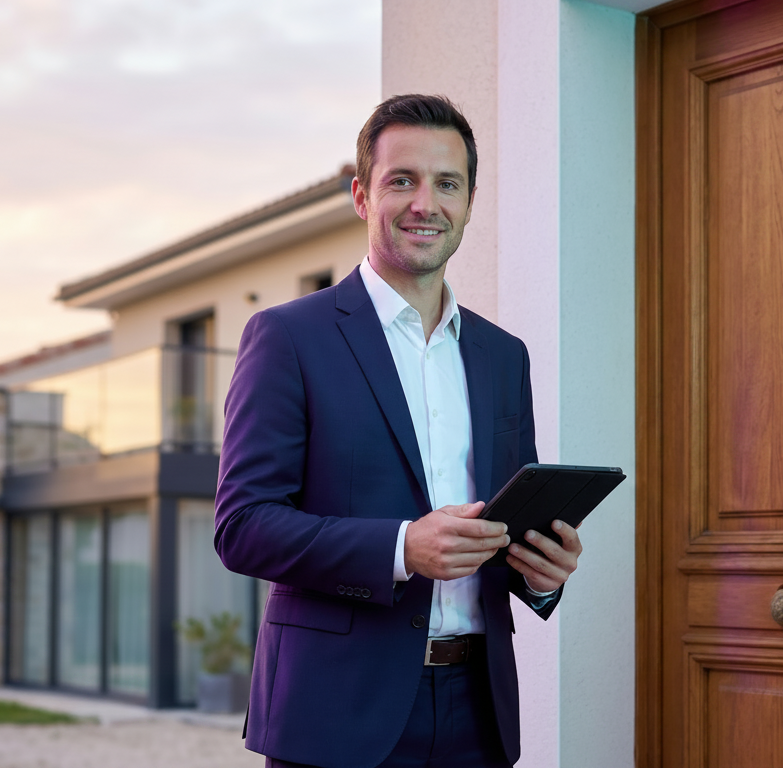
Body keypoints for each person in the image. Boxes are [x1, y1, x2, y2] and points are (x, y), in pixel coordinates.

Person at [214, 94, 583, 768]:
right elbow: (242, 525)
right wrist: (402, 547)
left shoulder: (504, 356)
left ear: (470, 201)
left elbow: (506, 521)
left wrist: (542, 574)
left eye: (447, 183)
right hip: (334, 713)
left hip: (479, 711)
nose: (426, 203)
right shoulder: (287, 337)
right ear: (362, 195)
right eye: (401, 180)